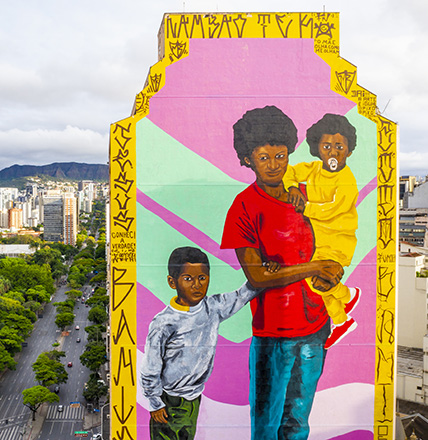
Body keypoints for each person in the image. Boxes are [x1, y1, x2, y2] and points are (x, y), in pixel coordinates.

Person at [220, 105, 344, 440]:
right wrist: (313, 267)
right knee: (266, 426)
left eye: (280, 156)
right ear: (247, 159)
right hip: (272, 335)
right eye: (264, 157)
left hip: (314, 326)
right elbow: (257, 277)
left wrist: (332, 270)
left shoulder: (305, 196)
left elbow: (336, 240)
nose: (274, 165)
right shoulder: (243, 207)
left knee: (298, 424)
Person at [140, 246, 262, 440]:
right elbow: (150, 367)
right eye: (188, 279)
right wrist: (155, 402)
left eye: (202, 278)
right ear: (172, 282)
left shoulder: (213, 307)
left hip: (193, 399)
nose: (197, 285)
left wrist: (264, 272)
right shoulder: (164, 322)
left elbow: (242, 295)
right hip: (169, 402)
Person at [284, 113, 361, 349]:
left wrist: (305, 207)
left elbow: (332, 209)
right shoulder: (315, 169)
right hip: (319, 240)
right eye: (326, 146)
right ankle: (346, 300)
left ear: (349, 150)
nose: (333, 152)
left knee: (319, 280)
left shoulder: (347, 180)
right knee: (315, 280)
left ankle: (342, 318)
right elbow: (290, 171)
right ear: (317, 148)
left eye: (339, 146)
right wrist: (293, 187)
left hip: (340, 239)